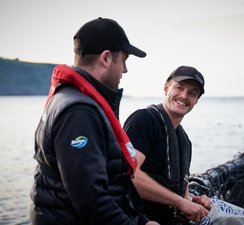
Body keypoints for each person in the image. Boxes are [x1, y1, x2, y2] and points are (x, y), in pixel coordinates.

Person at [30, 17, 159, 225]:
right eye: (124, 60)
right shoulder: (79, 112)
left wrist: (142, 221)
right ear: (106, 58)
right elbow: (92, 202)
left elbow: (109, 185)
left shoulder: (74, 101)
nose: (125, 70)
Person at [123, 66, 211, 224]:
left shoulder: (185, 141)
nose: (184, 96)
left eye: (192, 93)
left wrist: (193, 201)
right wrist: (181, 202)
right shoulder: (143, 120)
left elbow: (180, 193)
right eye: (179, 87)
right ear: (166, 88)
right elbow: (129, 174)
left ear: (196, 101)